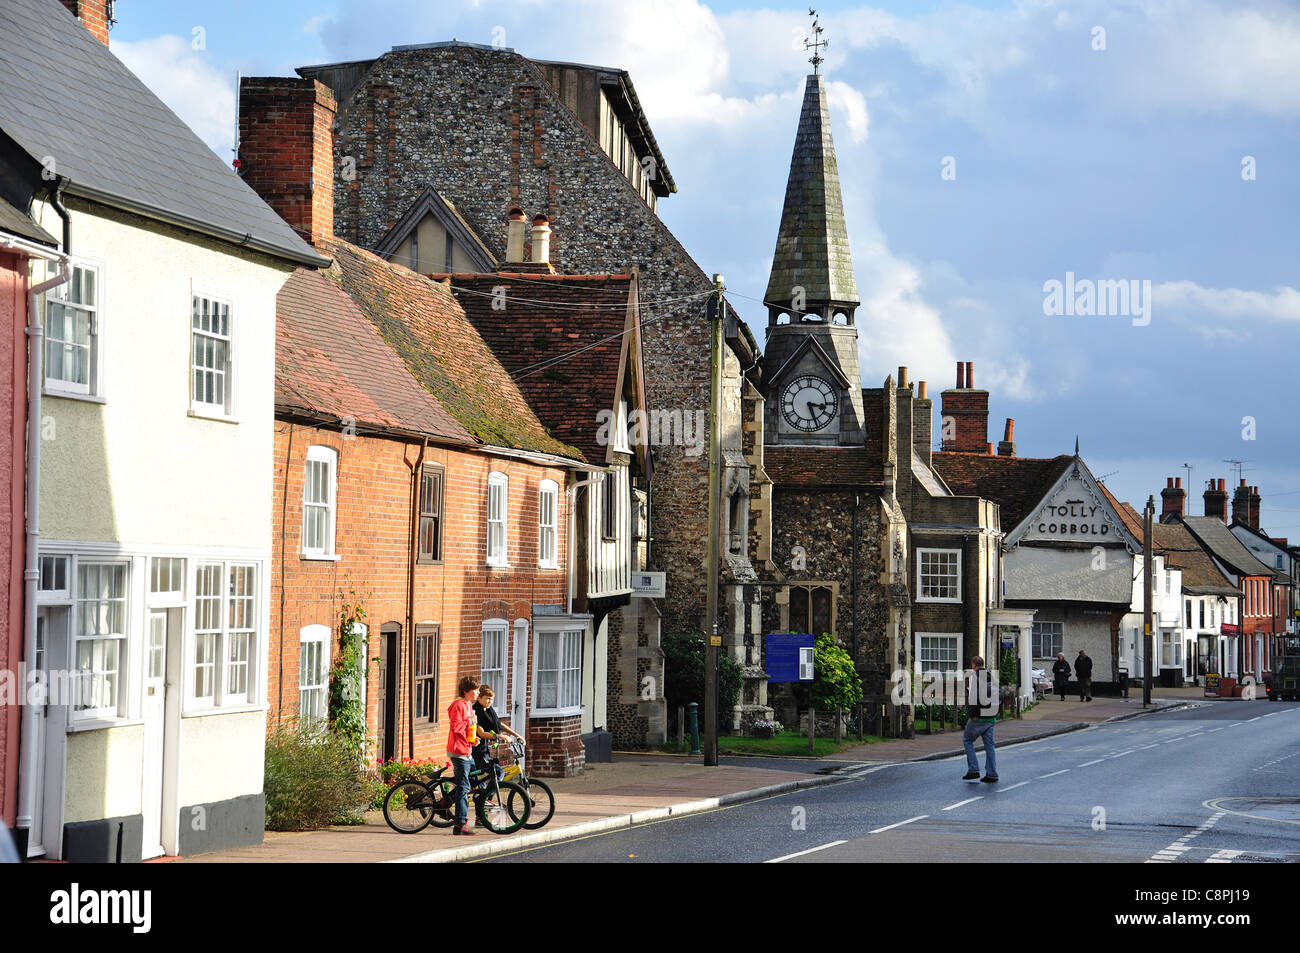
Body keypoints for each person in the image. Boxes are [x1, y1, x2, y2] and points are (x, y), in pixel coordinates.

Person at [447, 676, 481, 835]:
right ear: (466, 691)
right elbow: (456, 727)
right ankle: (460, 823)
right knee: (464, 786)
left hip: (467, 750)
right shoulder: (458, 706)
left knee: (473, 781)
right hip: (458, 751)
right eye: (475, 690)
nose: (478, 693)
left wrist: (473, 739)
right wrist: (469, 723)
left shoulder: (468, 705)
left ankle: (445, 801)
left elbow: (468, 729)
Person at [472, 684, 525, 779]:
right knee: (499, 773)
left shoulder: (488, 710)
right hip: (476, 752)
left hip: (484, 750)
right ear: (479, 697)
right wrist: (500, 736)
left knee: (480, 784)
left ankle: (485, 793)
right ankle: (490, 793)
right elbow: (481, 733)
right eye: (487, 698)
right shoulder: (476, 712)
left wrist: (516, 735)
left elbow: (499, 724)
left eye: (491, 699)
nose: (490, 702)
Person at [962, 656, 999, 783]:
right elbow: (999, 695)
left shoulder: (975, 678)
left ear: (973, 665)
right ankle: (992, 773)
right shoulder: (992, 678)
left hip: (979, 718)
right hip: (991, 717)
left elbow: (973, 697)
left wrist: (972, 715)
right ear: (983, 664)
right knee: (990, 746)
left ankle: (973, 769)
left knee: (967, 740)